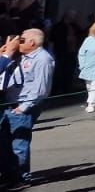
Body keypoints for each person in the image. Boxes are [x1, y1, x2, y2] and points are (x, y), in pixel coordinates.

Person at [0, 29, 54, 185]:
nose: (17, 43)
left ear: (32, 42)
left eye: (21, 40)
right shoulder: (20, 57)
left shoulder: (43, 59)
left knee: (19, 144)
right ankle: (7, 173)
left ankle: (20, 177)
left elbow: (41, 88)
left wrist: (24, 107)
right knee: (4, 143)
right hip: (9, 104)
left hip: (22, 106)